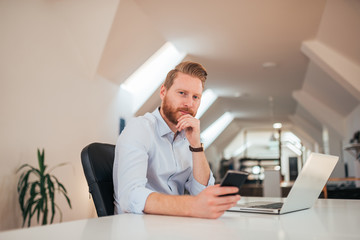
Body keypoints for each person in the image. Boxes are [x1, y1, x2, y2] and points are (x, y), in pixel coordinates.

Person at [113, 61, 240, 219]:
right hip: (139, 227)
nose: (189, 103)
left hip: (176, 225)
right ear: (163, 92)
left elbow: (201, 194)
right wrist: (191, 206)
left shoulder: (188, 136)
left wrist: (196, 145)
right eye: (182, 93)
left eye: (196, 97)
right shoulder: (139, 129)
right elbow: (130, 197)